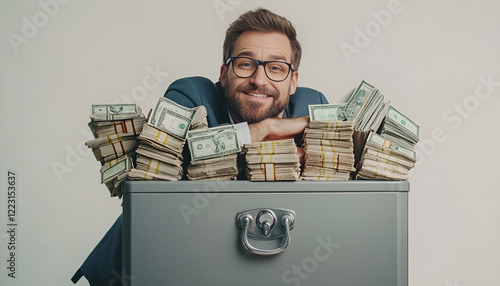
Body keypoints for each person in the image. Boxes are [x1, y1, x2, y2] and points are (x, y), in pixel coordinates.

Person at [72, 7, 328, 285]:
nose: (259, 79)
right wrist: (263, 130)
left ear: (293, 82)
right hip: (153, 263)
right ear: (223, 73)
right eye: (245, 63)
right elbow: (169, 166)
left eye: (276, 68)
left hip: (263, 266)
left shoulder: (312, 107)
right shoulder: (191, 94)